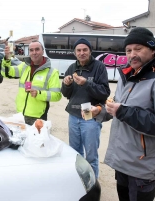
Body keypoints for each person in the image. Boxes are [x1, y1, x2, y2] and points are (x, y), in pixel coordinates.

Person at [91, 27, 155, 201]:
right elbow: (118, 105)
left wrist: (123, 111)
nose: (132, 54)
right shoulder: (127, 75)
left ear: (151, 50)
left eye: (138, 49)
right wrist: (101, 111)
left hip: (142, 165)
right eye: (128, 50)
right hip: (122, 160)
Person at [61, 38, 110, 179]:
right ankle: (78, 180)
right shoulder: (72, 67)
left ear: (90, 51)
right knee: (75, 152)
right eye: (78, 50)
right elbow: (66, 94)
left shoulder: (99, 67)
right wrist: (67, 84)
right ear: (75, 52)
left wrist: (86, 83)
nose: (81, 53)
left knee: (91, 155)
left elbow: (104, 92)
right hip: (74, 114)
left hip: (90, 115)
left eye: (85, 50)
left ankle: (92, 186)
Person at [1, 40, 62, 125]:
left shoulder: (52, 72)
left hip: (37, 117)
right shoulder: (24, 66)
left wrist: (38, 93)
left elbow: (57, 95)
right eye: (31, 50)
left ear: (43, 51)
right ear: (29, 52)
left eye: (37, 49)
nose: (34, 52)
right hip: (20, 115)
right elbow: (6, 73)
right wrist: (7, 58)